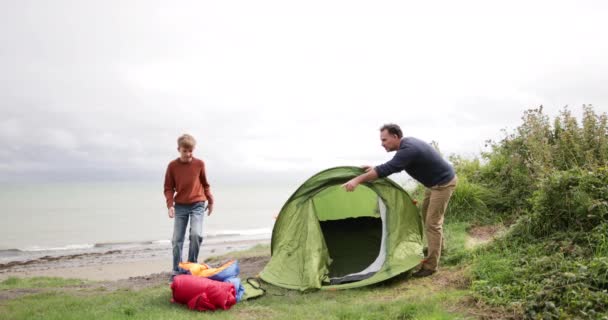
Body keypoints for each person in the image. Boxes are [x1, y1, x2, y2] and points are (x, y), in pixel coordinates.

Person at [342, 124, 457, 277]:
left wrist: (357, 180)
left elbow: (387, 169)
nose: (382, 143)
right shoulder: (406, 146)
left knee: (432, 223)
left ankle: (430, 266)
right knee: (428, 218)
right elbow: (391, 165)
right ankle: (438, 249)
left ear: (395, 137)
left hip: (443, 184)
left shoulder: (409, 149)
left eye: (384, 140)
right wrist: (375, 168)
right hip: (433, 184)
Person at [164, 134, 214, 281]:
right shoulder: (172, 166)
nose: (188, 154)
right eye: (185, 151)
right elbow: (168, 188)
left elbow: (205, 184)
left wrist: (210, 201)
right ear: (179, 149)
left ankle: (192, 267)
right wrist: (170, 205)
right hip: (180, 206)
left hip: (198, 204)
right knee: (176, 240)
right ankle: (177, 270)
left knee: (196, 235)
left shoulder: (199, 164)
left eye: (191, 151)